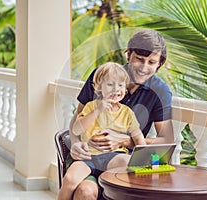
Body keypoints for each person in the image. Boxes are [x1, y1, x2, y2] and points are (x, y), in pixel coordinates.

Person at [68, 29, 174, 200]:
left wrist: (123, 140)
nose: (144, 67)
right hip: (88, 156)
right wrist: (74, 144)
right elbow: (78, 117)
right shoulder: (101, 75)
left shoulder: (161, 92)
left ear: (159, 64)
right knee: (85, 192)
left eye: (151, 62)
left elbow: (167, 140)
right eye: (139, 59)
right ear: (128, 54)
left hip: (123, 161)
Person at [58, 62, 146, 200]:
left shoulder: (127, 113)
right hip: (88, 156)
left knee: (131, 163)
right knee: (70, 179)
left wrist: (146, 156)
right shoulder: (91, 106)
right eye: (110, 84)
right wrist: (98, 110)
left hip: (113, 157)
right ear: (98, 87)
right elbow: (76, 129)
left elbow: (138, 138)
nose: (116, 89)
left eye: (121, 85)